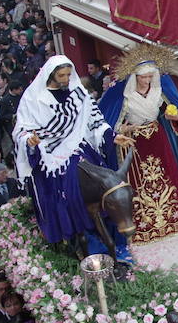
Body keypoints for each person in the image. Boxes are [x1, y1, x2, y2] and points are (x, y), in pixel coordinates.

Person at [14, 56, 131, 247]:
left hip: (78, 145)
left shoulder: (78, 93)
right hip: (50, 153)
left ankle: (110, 226)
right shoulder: (32, 98)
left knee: (102, 180)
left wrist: (111, 136)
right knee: (61, 189)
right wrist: (30, 140)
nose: (66, 79)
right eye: (61, 75)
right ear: (51, 75)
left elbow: (95, 121)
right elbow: (21, 129)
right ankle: (74, 235)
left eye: (69, 74)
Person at [100, 53, 178, 243]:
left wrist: (175, 117)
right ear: (134, 77)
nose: (146, 81)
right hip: (135, 144)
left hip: (158, 139)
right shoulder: (125, 96)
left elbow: (175, 113)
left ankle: (173, 217)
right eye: (143, 77)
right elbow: (110, 124)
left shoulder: (158, 91)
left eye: (149, 77)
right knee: (139, 181)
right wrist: (125, 129)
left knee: (166, 174)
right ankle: (143, 223)